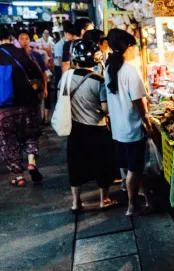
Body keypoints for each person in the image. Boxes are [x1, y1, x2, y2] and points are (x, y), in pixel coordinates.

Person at [0, 25, 45, 187]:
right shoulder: (21, 52)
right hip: (28, 104)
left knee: (8, 140)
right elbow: (36, 73)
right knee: (30, 134)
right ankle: (31, 161)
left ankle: (18, 176)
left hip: (4, 107)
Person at [61, 40, 117, 212]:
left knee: (76, 165)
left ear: (75, 60)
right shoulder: (99, 81)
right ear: (96, 60)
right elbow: (106, 109)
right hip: (97, 129)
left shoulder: (66, 77)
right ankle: (104, 199)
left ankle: (76, 202)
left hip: (75, 129)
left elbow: (62, 102)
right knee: (103, 164)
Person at [104, 29, 154, 216]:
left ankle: (148, 200)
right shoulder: (130, 70)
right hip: (132, 129)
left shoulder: (110, 68)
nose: (136, 51)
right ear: (128, 47)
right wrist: (146, 120)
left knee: (135, 168)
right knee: (134, 169)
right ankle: (131, 206)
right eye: (134, 47)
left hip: (118, 128)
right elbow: (138, 100)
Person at [18, 31, 49, 125]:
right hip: (21, 87)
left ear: (29, 40)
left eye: (26, 39)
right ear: (18, 40)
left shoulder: (36, 55)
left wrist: (45, 88)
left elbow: (44, 72)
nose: (24, 41)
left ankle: (37, 127)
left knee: (37, 108)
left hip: (37, 86)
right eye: (22, 39)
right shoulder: (15, 55)